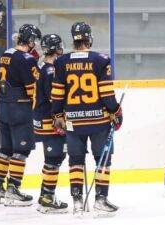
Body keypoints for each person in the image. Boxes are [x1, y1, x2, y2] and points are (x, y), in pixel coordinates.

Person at [51, 22, 123, 216]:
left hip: (73, 122)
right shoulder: (101, 60)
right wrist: (116, 112)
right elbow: (107, 94)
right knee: (103, 160)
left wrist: (57, 116)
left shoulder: (61, 62)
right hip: (98, 121)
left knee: (75, 160)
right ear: (89, 37)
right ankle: (100, 199)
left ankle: (77, 201)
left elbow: (57, 95)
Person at [0, 24, 41, 206]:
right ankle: (13, 189)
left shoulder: (6, 53)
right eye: (34, 40)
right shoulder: (27, 59)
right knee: (21, 150)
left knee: (5, 149)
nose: (35, 44)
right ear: (29, 40)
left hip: (2, 106)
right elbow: (32, 90)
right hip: (19, 109)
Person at [33, 34, 67, 214]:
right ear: (57, 48)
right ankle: (47, 198)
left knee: (53, 158)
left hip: (41, 118)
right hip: (50, 120)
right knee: (54, 158)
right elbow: (54, 98)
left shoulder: (41, 66)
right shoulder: (51, 70)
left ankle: (45, 195)